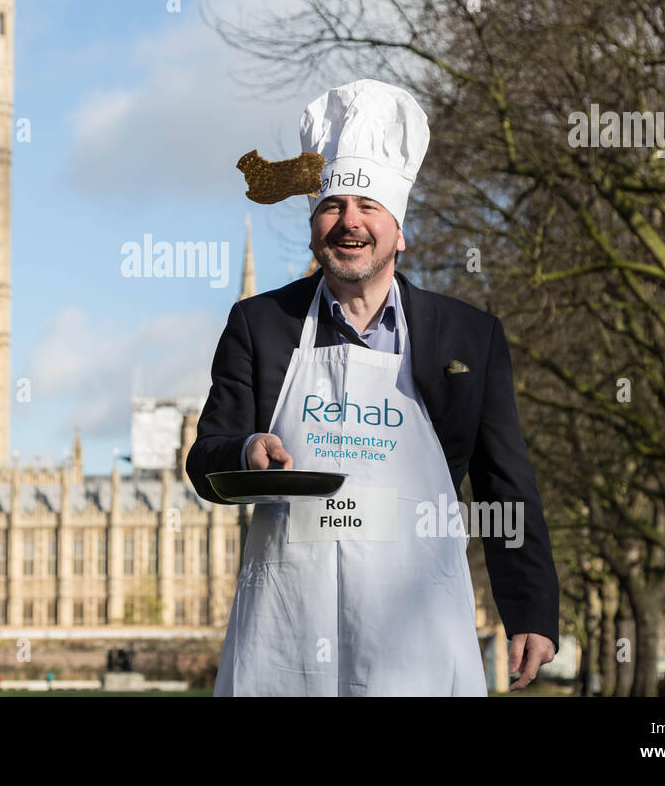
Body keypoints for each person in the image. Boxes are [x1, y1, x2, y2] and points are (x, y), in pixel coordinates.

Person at [187, 79, 560, 696]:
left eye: (368, 207)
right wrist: (246, 450)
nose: (349, 222)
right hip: (287, 622)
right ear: (313, 228)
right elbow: (205, 460)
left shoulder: (469, 335)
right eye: (332, 206)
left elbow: (504, 480)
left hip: (416, 620)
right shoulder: (260, 325)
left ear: (399, 231)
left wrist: (530, 606)